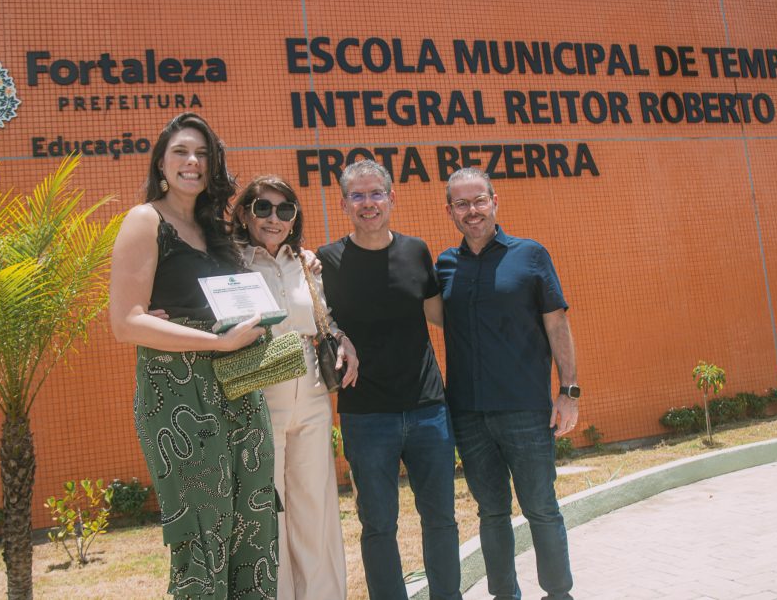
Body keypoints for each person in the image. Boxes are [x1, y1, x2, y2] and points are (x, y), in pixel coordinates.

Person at [109, 112, 278, 599]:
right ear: (161, 162)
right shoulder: (146, 220)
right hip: (179, 394)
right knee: (201, 531)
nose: (192, 162)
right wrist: (213, 341)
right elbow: (125, 322)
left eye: (203, 154)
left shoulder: (215, 226)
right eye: (181, 151)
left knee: (254, 522)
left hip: (240, 388)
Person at [317, 159, 463, 600]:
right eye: (357, 196)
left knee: (441, 517)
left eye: (375, 193)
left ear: (391, 198)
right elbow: (315, 321)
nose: (368, 203)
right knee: (378, 525)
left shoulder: (416, 251)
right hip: (365, 414)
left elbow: (441, 316)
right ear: (343, 204)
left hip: (427, 409)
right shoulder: (326, 261)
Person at [435, 167, 579, 600]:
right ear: (450, 212)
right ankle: (504, 595)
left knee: (541, 508)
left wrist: (568, 391)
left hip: (525, 410)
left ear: (495, 202)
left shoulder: (531, 254)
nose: (472, 210)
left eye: (479, 200)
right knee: (491, 513)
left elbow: (557, 325)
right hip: (469, 414)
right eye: (462, 203)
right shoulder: (444, 266)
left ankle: (558, 593)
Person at [229, 174, 358, 600]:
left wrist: (344, 340)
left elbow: (325, 320)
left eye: (285, 210)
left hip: (313, 393)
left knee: (315, 508)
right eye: (262, 208)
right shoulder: (228, 261)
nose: (274, 218)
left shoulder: (305, 262)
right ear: (245, 213)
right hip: (258, 396)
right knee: (268, 509)